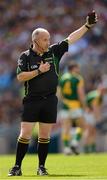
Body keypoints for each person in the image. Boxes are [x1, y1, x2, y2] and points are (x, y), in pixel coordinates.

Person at [8, 11, 97, 176]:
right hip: (32, 100)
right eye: (45, 39)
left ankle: (41, 167)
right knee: (25, 134)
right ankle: (16, 167)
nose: (48, 42)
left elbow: (71, 38)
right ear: (35, 41)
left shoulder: (53, 52)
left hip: (50, 100)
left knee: (44, 135)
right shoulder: (25, 56)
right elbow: (20, 77)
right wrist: (39, 71)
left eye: (49, 39)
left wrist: (87, 26)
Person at [58, 61, 87, 155]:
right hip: (75, 105)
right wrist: (84, 105)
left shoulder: (63, 78)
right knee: (82, 125)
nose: (78, 70)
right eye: (77, 68)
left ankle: (66, 148)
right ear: (73, 68)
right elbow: (81, 94)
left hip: (65, 105)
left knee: (66, 128)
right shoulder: (78, 78)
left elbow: (59, 93)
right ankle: (74, 142)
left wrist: (64, 102)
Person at [84, 86, 105, 153]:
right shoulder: (97, 96)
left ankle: (91, 148)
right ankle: (87, 148)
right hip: (89, 114)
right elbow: (95, 107)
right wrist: (99, 119)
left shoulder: (95, 94)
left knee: (92, 132)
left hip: (89, 113)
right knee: (89, 131)